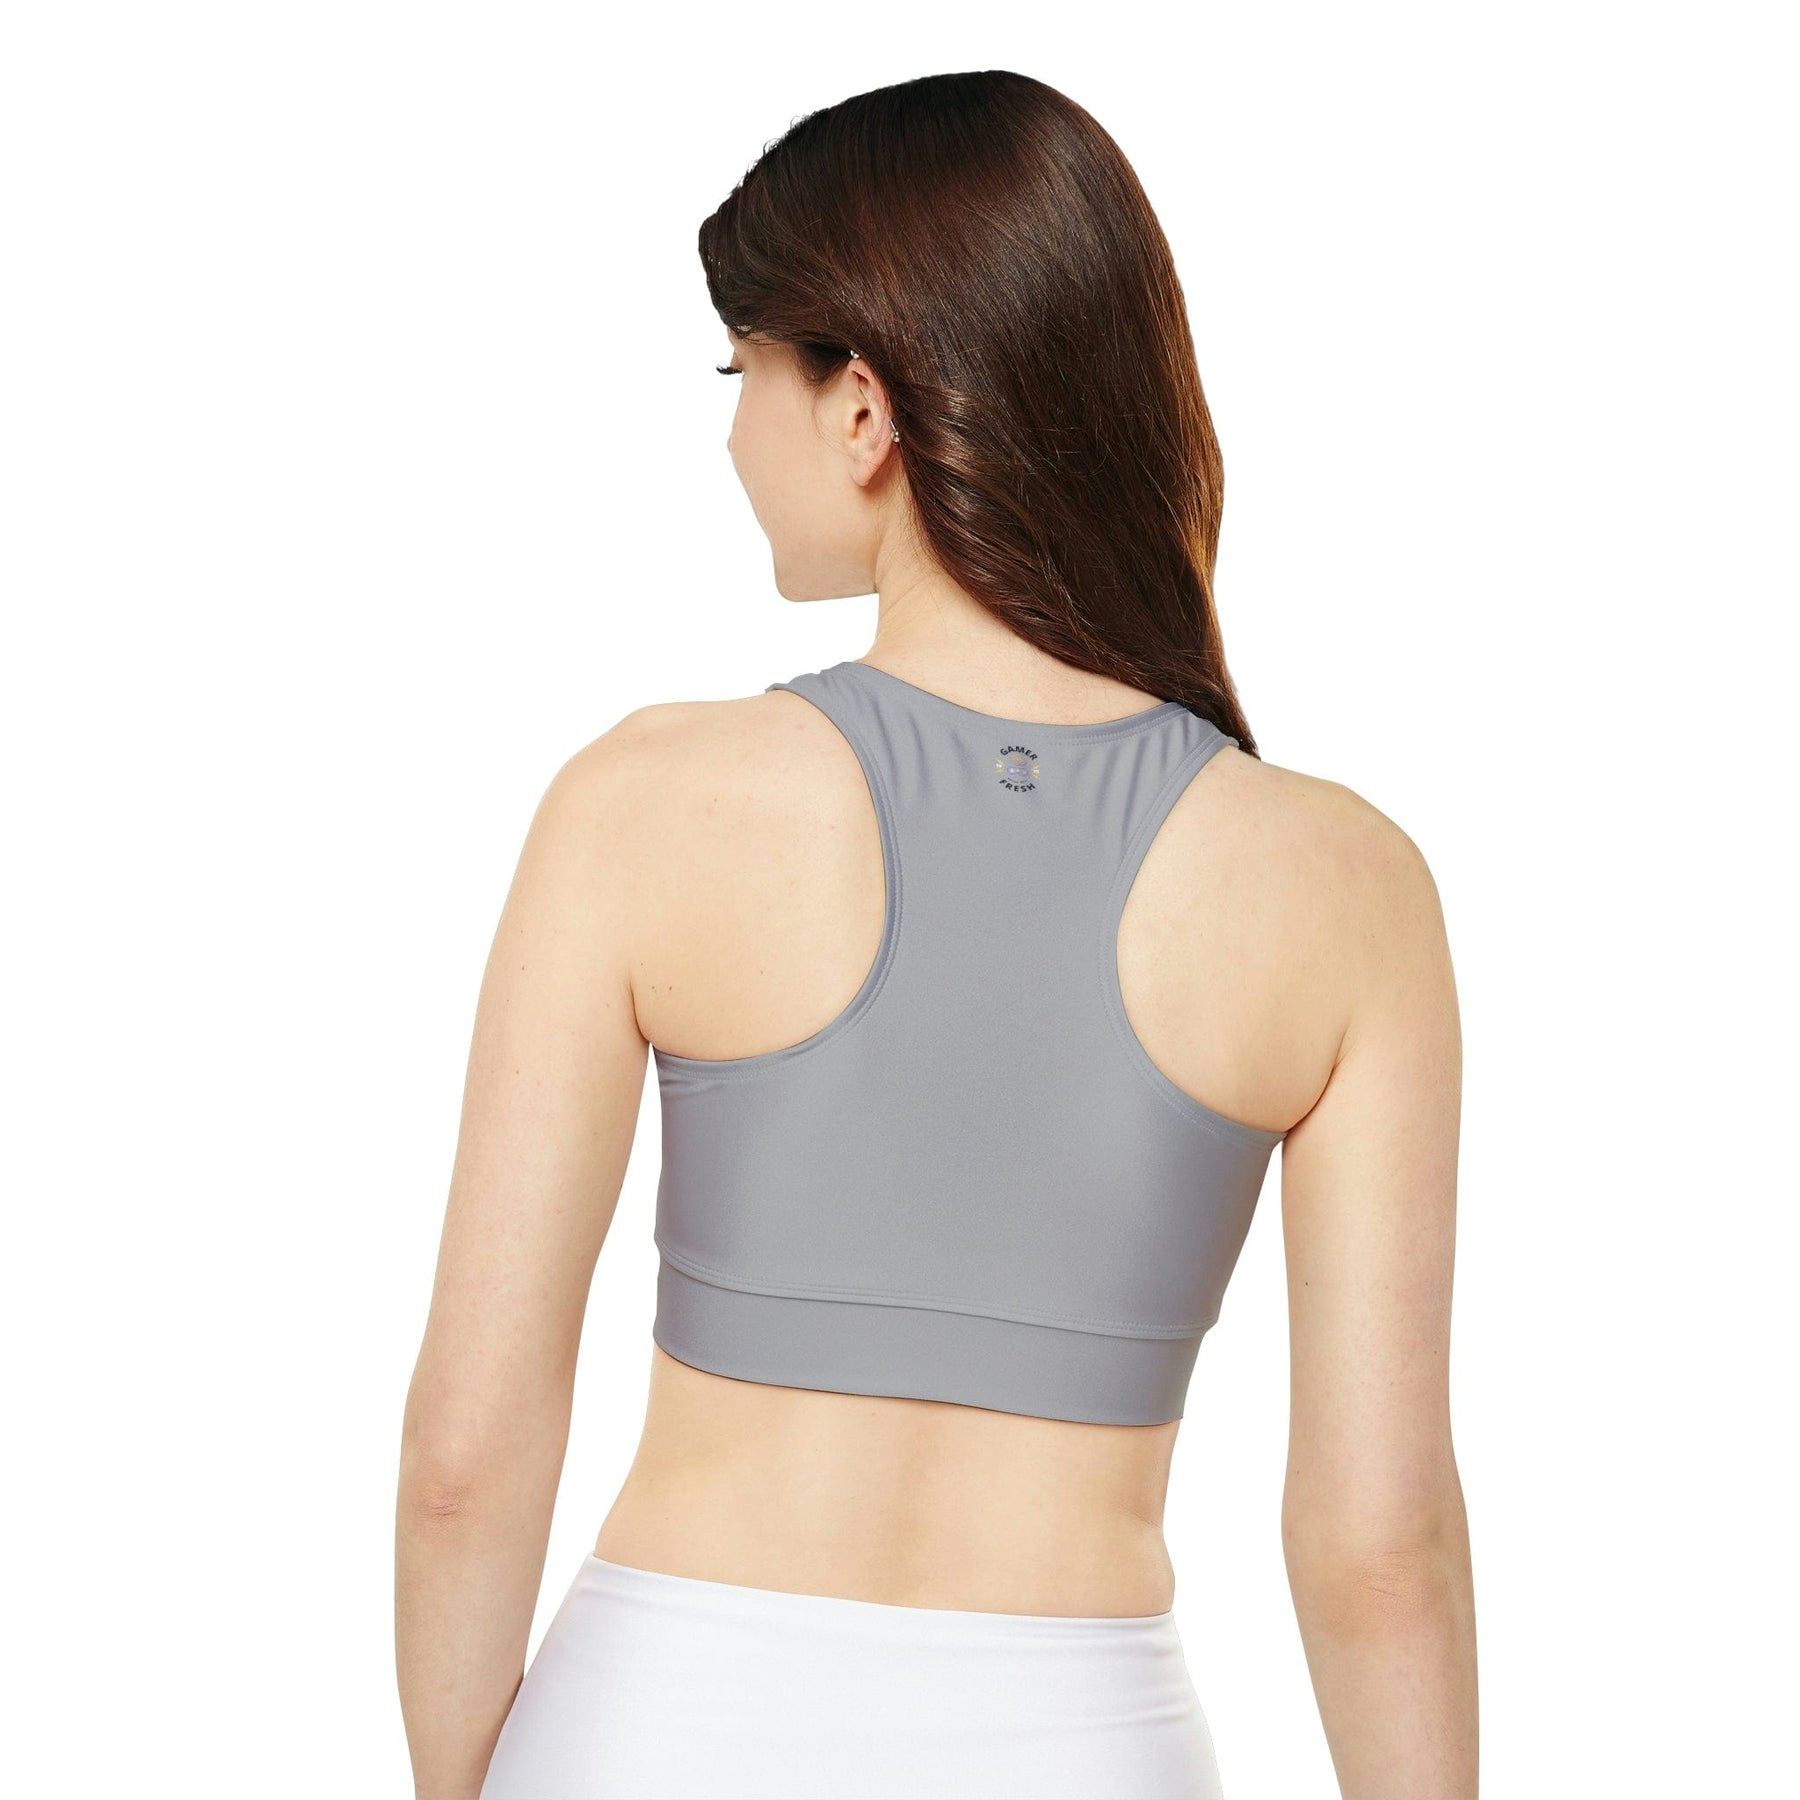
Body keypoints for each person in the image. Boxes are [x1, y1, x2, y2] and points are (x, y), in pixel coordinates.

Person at [395, 69, 1475, 1800]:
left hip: (659, 1725)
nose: (730, 436)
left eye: (739, 374)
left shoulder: (644, 804)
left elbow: (468, 1455)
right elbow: (1378, 1543)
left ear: (861, 410)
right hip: (1085, 1747)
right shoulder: (1343, 887)